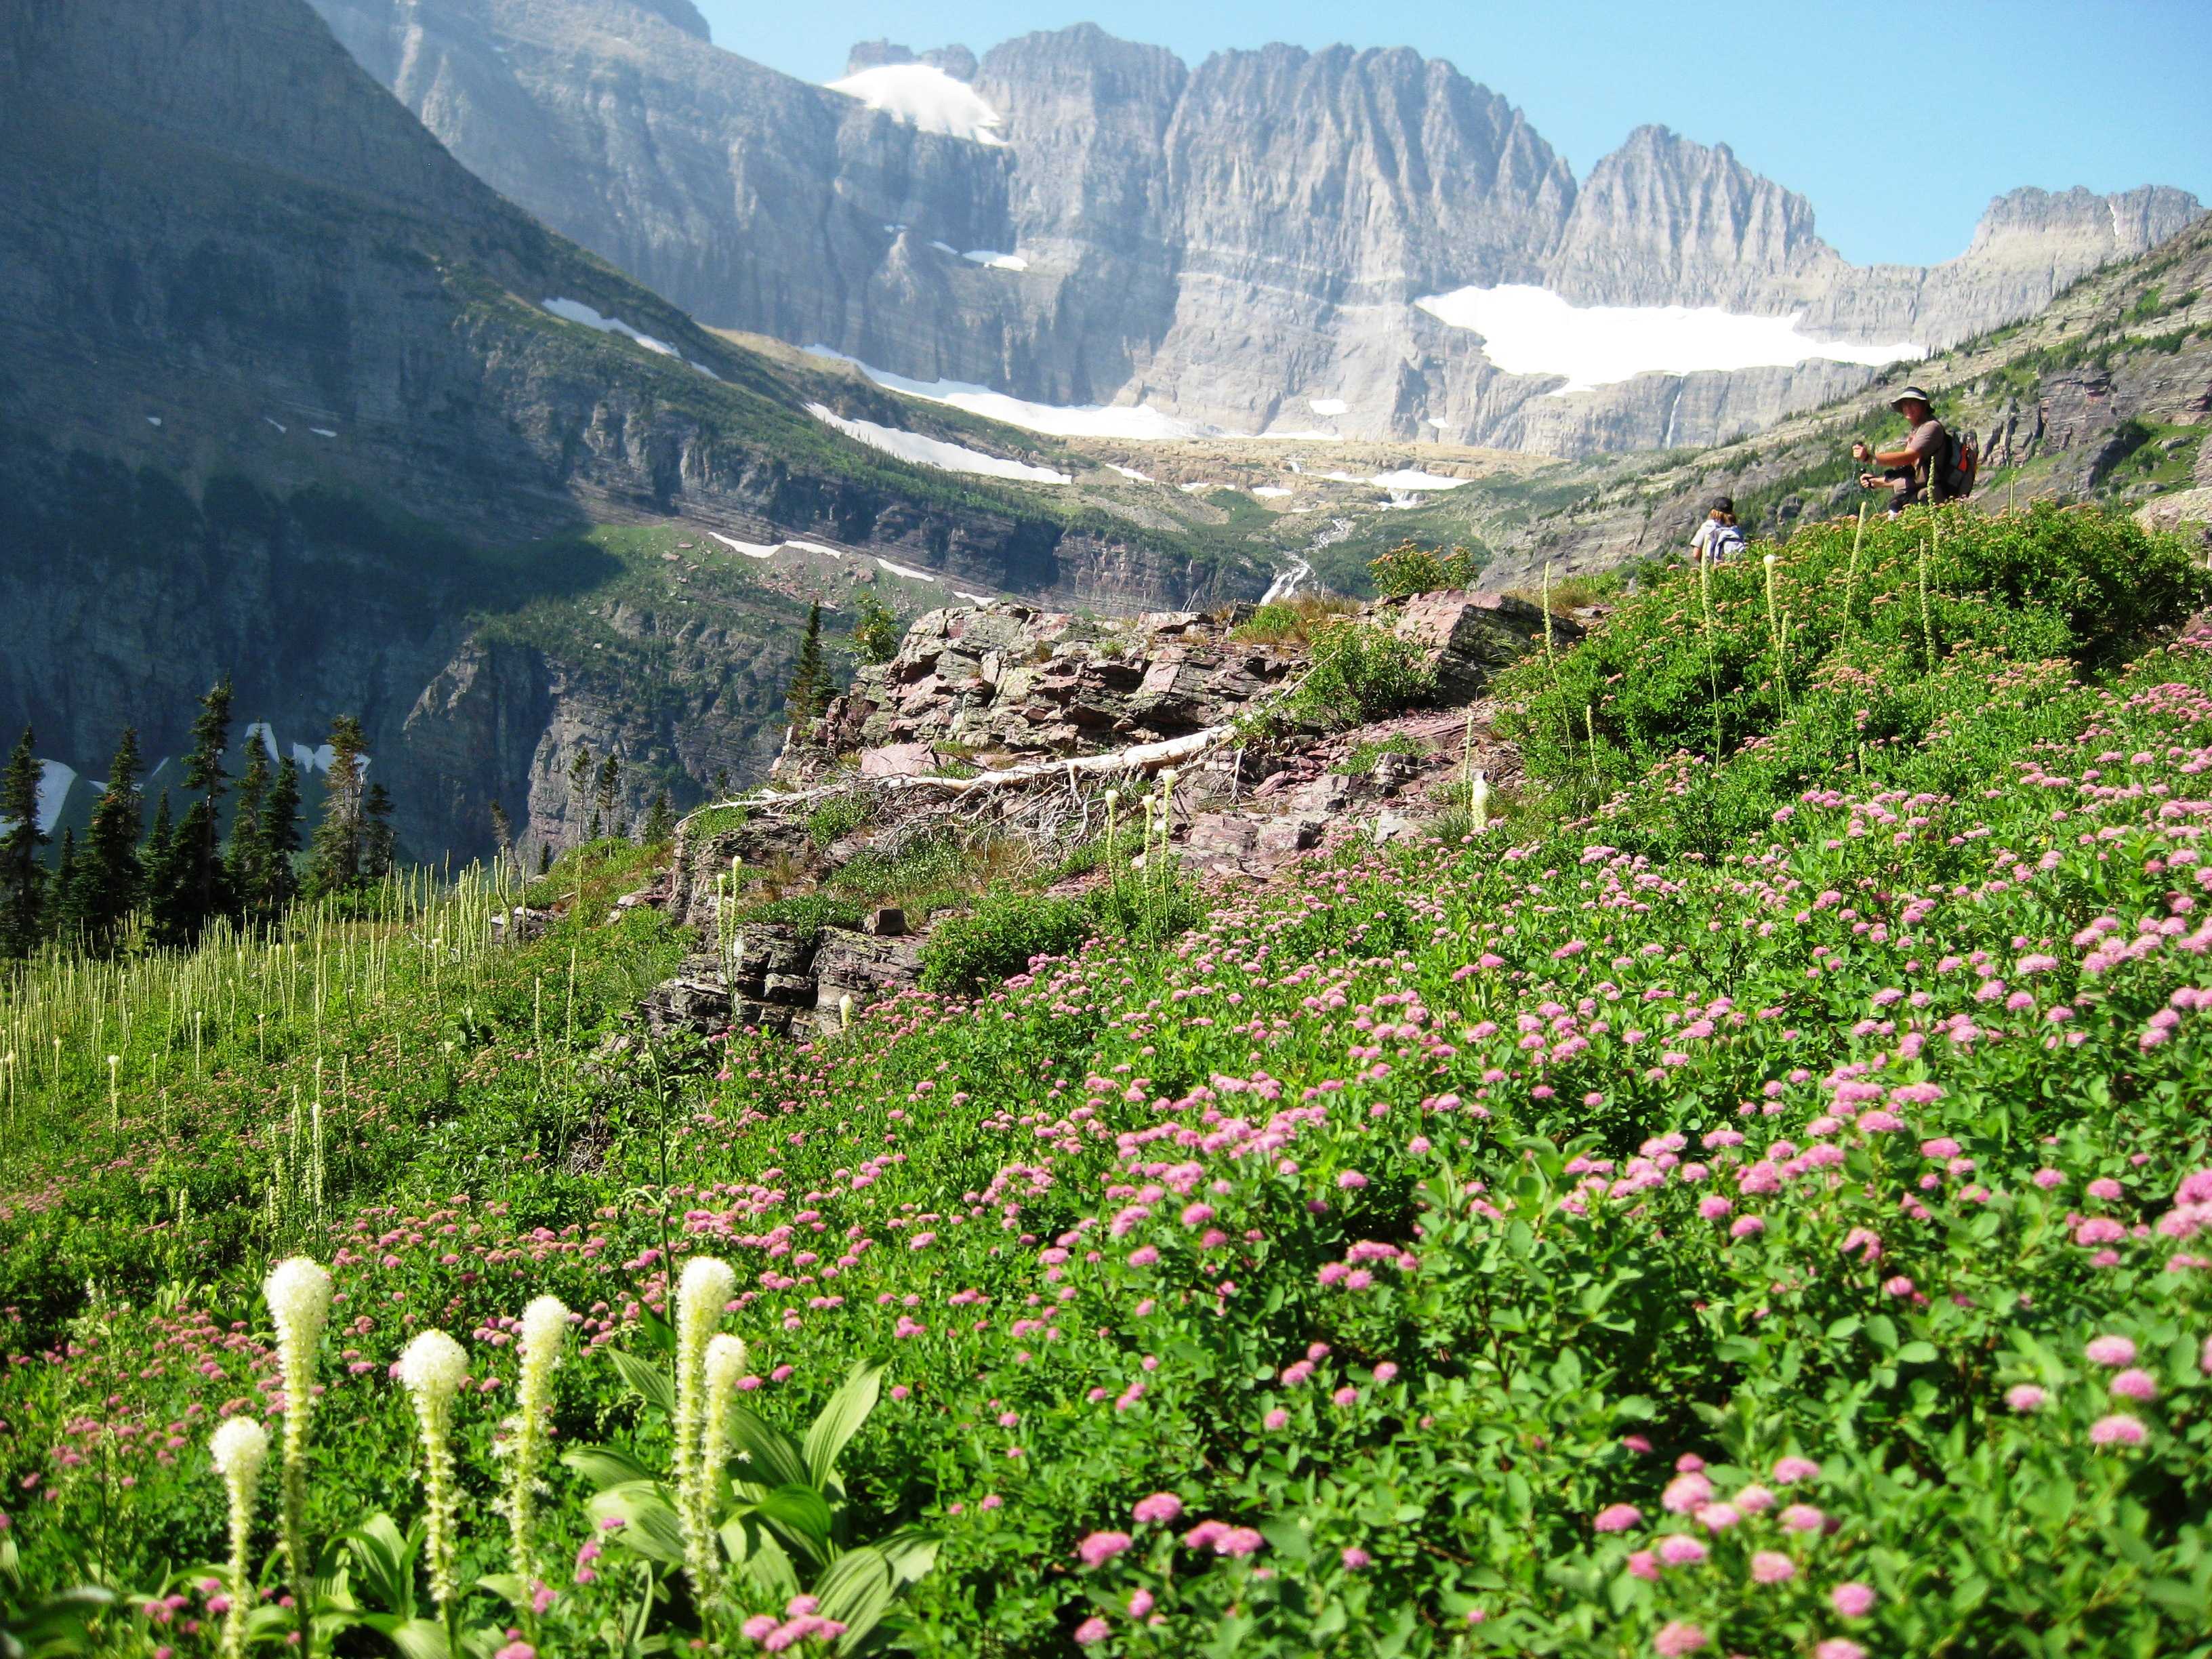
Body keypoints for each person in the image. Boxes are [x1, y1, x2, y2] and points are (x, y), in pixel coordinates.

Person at [1853, 386, 1951, 514]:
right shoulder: (1918, 430)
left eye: (1913, 404)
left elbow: (1909, 457)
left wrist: (1870, 458)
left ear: (1924, 405)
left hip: (1928, 500)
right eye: (1905, 405)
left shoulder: (1931, 428)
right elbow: (1910, 475)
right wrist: (1877, 482)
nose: (1908, 408)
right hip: (1915, 498)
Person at [1689, 497, 1746, 564]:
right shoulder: (1736, 530)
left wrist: (1706, 566)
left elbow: (1696, 554)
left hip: (1714, 569)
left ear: (1713, 511)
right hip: (1733, 570)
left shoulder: (1707, 527)